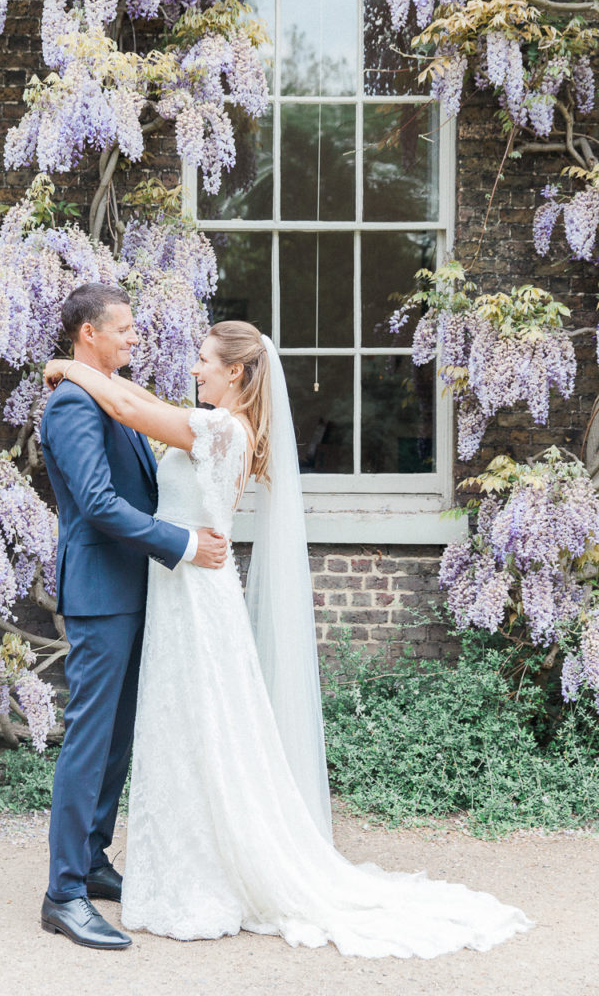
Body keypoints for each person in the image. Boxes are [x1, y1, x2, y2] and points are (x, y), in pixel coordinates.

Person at [43, 318, 534, 957]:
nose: (193, 369)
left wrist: (70, 367)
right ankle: (106, 866)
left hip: (192, 587)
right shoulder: (224, 425)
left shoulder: (220, 427)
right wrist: (84, 375)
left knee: (198, 728)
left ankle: (173, 868)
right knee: (177, 728)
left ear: (237, 372)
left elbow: (133, 408)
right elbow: (129, 427)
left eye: (203, 361)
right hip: (178, 587)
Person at [38, 283, 228, 951]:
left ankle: (90, 861)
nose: (135, 337)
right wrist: (181, 544)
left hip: (136, 587)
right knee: (90, 739)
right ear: (88, 333)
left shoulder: (109, 393)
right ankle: (62, 893)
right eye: (122, 329)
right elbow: (95, 503)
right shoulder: (70, 405)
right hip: (101, 591)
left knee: (117, 738)